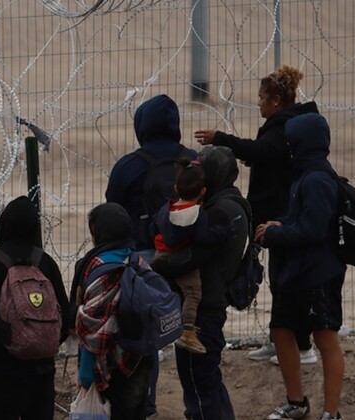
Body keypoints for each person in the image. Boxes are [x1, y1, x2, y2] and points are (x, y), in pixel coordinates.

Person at [194, 64, 319, 365]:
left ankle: (301, 346)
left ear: (276, 100)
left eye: (262, 98)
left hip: (283, 214)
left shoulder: (284, 125)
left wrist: (221, 139)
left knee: (288, 282)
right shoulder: (288, 122)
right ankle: (281, 341)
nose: (259, 103)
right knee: (279, 280)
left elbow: (262, 150)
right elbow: (269, 156)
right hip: (279, 211)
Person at [105, 93, 196, 419]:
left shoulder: (130, 166)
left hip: (143, 262)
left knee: (144, 338)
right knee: (192, 336)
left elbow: (112, 211)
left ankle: (146, 405)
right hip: (191, 259)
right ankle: (198, 406)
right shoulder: (194, 161)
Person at [255, 113, 346, 420]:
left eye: (291, 140)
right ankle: (296, 403)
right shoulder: (304, 174)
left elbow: (315, 229)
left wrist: (277, 233)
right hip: (297, 271)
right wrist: (280, 223)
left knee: (324, 337)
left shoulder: (318, 178)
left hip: (318, 273)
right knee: (281, 330)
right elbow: (303, 219)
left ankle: (331, 413)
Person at [0, 196, 71, 420]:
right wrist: (42, 343)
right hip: (41, 372)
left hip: (2, 372)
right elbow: (64, 315)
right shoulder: (45, 262)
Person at [174, 145, 249, 420]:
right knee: (208, 379)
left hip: (204, 306)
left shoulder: (219, 212)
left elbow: (190, 258)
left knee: (198, 379)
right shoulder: (233, 202)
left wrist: (160, 263)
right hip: (214, 300)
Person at [71, 202, 153, 419]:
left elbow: (92, 331)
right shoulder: (140, 262)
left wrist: (85, 375)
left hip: (110, 367)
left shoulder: (97, 268)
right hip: (139, 360)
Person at [150, 157, 235, 355]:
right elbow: (202, 236)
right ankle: (187, 331)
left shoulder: (167, 208)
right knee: (193, 293)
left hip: (160, 254)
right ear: (203, 191)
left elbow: (153, 227)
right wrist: (223, 232)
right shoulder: (197, 213)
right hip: (180, 257)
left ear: (176, 189)